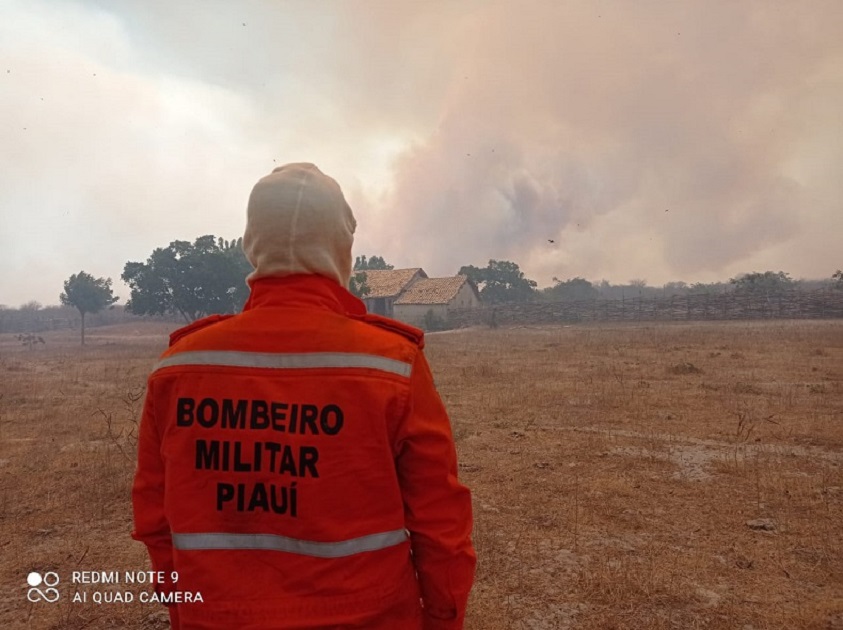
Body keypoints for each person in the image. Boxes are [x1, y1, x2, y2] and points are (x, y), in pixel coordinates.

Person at [132, 163, 476, 630]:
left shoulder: (178, 367)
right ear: (343, 250)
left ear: (252, 245)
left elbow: (155, 520)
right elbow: (441, 527)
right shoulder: (392, 364)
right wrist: (443, 620)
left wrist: (186, 610)